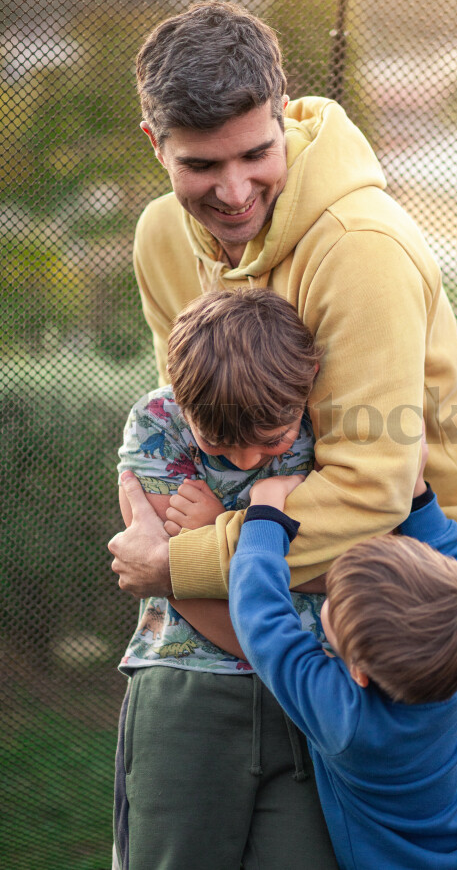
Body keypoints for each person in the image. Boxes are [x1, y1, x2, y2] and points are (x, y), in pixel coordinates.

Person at [108, 0, 457, 869]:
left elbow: (373, 488)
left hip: (452, 562)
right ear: (153, 143)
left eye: (255, 154)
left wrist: (188, 562)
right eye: (202, 165)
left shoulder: (357, 243)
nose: (233, 192)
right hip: (327, 576)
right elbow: (201, 423)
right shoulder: (161, 239)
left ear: (282, 117)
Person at [114, 287, 338, 870]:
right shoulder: (158, 421)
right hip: (194, 684)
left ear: (308, 378)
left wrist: (221, 531)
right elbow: (161, 570)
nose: (245, 462)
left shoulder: (331, 418)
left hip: (305, 700)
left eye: (270, 442)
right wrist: (291, 583)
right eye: (217, 443)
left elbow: (357, 566)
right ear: (181, 394)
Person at [228, 471, 457, 870]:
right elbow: (450, 566)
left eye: (333, 601)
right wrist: (416, 488)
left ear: (358, 672)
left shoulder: (346, 717)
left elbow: (261, 620)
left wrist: (266, 510)